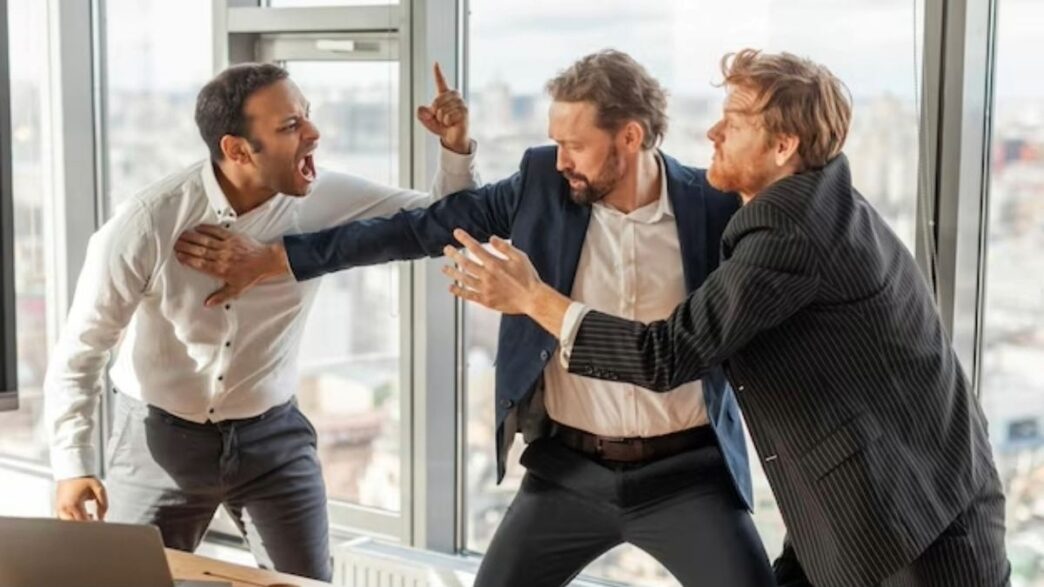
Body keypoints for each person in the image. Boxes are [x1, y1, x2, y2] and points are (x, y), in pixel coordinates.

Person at [173, 50, 773, 586]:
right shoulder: (542, 184)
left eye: (575, 145)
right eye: (556, 142)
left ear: (631, 137)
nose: (560, 159)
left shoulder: (713, 207)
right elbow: (419, 228)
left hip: (687, 474)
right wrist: (278, 259)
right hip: (570, 472)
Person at [439, 49, 1011, 587]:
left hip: (914, 524)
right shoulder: (822, 202)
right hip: (868, 508)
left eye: (733, 123)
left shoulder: (790, 230)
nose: (712, 133)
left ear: (783, 145)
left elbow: (666, 355)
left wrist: (533, 298)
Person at [44, 61, 479, 582]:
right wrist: (72, 465)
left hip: (273, 441)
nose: (314, 133)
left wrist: (455, 147)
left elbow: (445, 224)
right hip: (160, 443)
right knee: (122, 581)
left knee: (307, 585)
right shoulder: (148, 222)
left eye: (307, 116)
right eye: (291, 125)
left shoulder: (326, 198)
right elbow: (82, 350)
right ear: (237, 149)